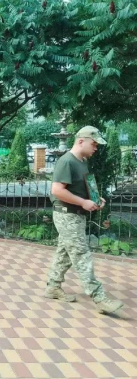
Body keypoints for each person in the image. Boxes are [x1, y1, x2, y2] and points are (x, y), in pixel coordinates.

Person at [45, 126, 124, 314]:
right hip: (66, 215)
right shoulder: (67, 162)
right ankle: (99, 297)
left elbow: (83, 187)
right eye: (94, 144)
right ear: (81, 141)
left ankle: (53, 286)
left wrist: (96, 199)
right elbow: (57, 190)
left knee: (65, 252)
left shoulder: (81, 162)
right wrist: (83, 202)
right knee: (81, 254)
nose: (96, 148)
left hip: (75, 215)